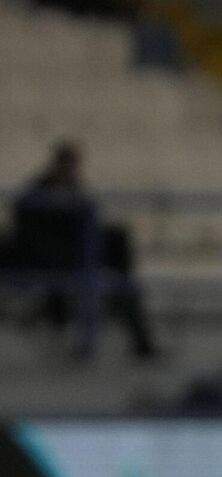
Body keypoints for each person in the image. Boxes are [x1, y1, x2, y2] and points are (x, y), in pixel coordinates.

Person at [5, 142, 156, 358]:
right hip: (56, 258)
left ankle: (137, 337)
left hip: (77, 257)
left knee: (119, 259)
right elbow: (29, 226)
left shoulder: (72, 190)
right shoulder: (42, 190)